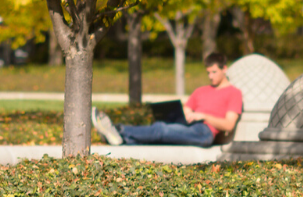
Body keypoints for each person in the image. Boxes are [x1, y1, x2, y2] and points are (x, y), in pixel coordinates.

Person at [92, 53, 243, 146]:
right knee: (161, 129)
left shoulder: (233, 93)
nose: (210, 76)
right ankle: (120, 139)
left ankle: (118, 129)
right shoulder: (201, 91)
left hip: (205, 132)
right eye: (208, 72)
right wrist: (185, 114)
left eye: (214, 72)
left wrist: (203, 116)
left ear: (225, 69)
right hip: (189, 127)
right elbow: (186, 110)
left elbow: (229, 125)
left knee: (161, 129)